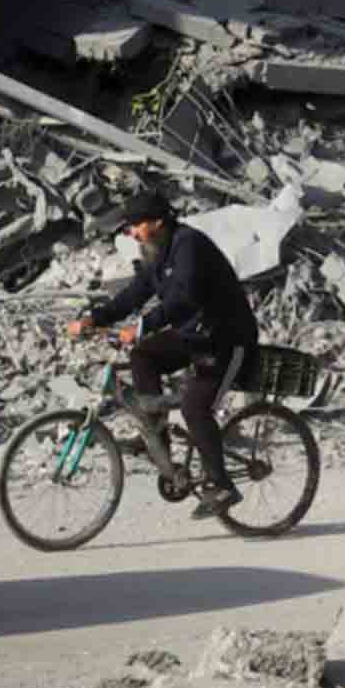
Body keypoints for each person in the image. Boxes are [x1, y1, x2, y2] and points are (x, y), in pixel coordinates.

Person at [66, 190, 259, 519]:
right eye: (129, 228)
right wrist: (95, 318)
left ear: (158, 222)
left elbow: (185, 297)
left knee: (193, 406)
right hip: (195, 336)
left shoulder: (189, 245)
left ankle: (222, 484)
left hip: (227, 339)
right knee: (143, 355)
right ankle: (156, 440)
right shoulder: (156, 251)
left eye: (136, 225)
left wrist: (143, 325)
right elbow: (136, 292)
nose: (132, 232)